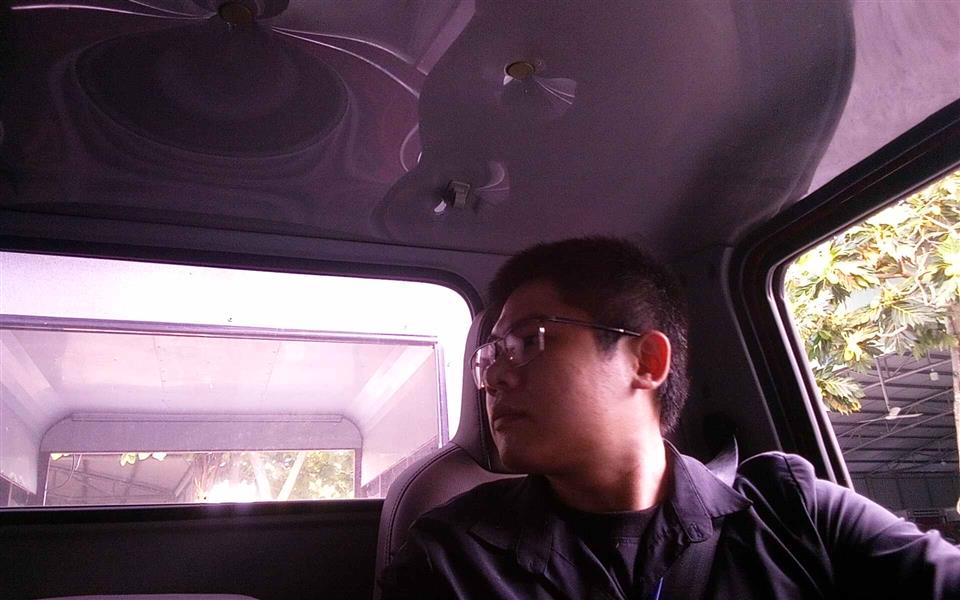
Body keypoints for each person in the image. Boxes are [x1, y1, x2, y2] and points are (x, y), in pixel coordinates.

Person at [378, 237, 960, 599]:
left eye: (528, 341)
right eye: (488, 357)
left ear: (647, 362)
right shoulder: (451, 560)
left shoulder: (794, 511)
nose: (493, 378)